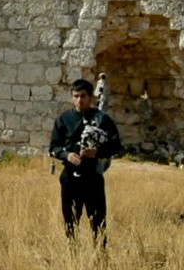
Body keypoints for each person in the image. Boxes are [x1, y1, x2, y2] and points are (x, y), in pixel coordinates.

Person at [49, 78, 122, 245]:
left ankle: (100, 259)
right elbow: (54, 146)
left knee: (98, 223)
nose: (79, 100)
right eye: (75, 96)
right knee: (70, 222)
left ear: (90, 97)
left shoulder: (102, 119)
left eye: (83, 96)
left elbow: (116, 145)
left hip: (93, 176)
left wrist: (96, 152)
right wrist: (67, 155)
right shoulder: (63, 120)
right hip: (70, 177)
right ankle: (73, 258)